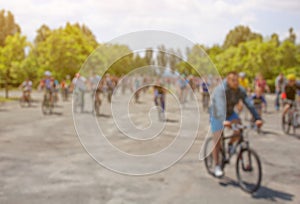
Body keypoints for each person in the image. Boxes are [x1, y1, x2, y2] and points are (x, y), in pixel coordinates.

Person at [209, 71, 263, 177]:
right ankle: (217, 166)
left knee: (239, 127)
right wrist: (222, 120)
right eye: (233, 80)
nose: (235, 82)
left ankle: (230, 145)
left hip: (229, 112)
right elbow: (219, 105)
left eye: (237, 80)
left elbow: (249, 103)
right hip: (217, 113)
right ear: (227, 81)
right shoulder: (221, 90)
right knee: (217, 138)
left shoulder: (240, 90)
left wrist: (257, 118)